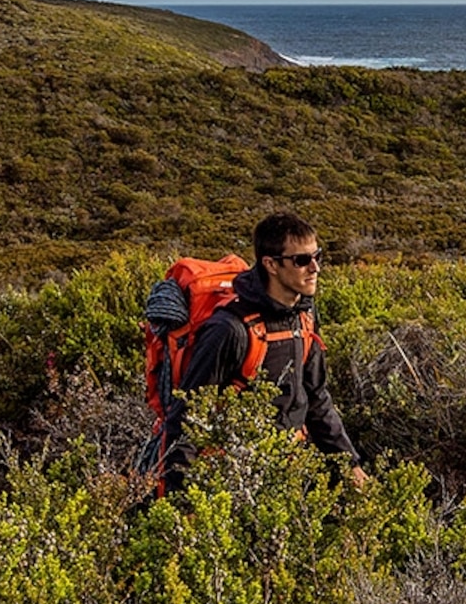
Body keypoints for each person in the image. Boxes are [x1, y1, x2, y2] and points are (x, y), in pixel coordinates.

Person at [158, 210, 369, 492]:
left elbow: (317, 398)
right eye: (302, 260)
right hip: (234, 477)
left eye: (317, 257)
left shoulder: (304, 317)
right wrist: (183, 502)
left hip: (289, 469)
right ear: (270, 264)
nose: (315, 268)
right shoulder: (230, 330)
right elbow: (187, 418)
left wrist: (349, 464)